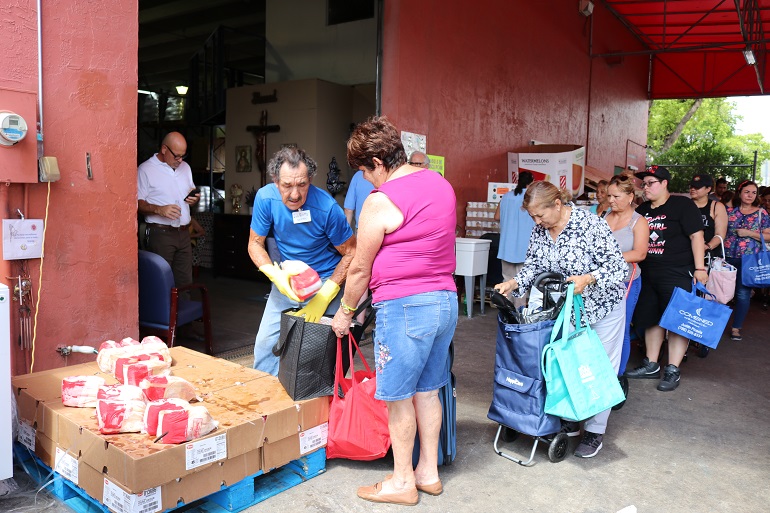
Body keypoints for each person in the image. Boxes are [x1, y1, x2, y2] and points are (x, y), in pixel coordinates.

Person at [331, 117, 457, 505]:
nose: (366, 180)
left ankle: (403, 481)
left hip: (405, 309)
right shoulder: (439, 182)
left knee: (398, 397)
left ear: (377, 161)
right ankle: (428, 473)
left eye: (364, 171)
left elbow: (360, 268)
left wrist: (345, 312)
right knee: (429, 390)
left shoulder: (381, 200)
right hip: (445, 303)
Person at [494, 181, 627, 459]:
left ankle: (594, 432)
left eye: (540, 214)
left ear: (558, 204)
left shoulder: (590, 225)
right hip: (566, 308)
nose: (536, 220)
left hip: (602, 305)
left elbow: (618, 267)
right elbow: (534, 265)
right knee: (567, 362)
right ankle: (570, 417)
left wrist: (588, 278)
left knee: (597, 367)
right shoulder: (540, 230)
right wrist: (514, 282)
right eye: (532, 216)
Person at [248, 146, 356, 375]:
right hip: (288, 282)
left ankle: (312, 408)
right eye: (287, 186)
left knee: (317, 360)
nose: (295, 194)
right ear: (276, 181)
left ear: (310, 180)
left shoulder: (326, 208)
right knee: (265, 348)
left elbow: (351, 252)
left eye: (302, 185)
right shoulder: (266, 198)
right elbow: (254, 243)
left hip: (326, 283)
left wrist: (327, 293)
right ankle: (267, 407)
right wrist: (275, 275)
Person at [625, 166, 707, 392]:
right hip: (648, 272)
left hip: (677, 271)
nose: (645, 188)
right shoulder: (642, 209)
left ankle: (672, 368)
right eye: (644, 184)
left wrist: (700, 267)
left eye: (650, 183)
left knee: (677, 321)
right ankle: (651, 364)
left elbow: (696, 236)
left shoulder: (682, 205)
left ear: (664, 184)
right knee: (651, 318)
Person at [138, 131, 200, 290]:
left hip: (184, 233)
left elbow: (189, 192)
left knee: (185, 283)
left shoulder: (185, 167)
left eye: (183, 156)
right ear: (164, 149)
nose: (180, 161)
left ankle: (181, 314)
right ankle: (163, 315)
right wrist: (159, 209)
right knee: (160, 283)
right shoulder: (145, 169)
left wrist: (194, 199)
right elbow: (137, 204)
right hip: (161, 235)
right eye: (177, 156)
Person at [604, 174, 649, 377]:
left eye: (616, 196)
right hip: (602, 282)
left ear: (630, 196)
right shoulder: (605, 216)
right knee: (601, 328)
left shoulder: (638, 222)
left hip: (626, 282)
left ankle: (617, 377)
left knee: (620, 330)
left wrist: (611, 257)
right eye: (609, 196)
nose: (610, 200)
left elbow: (640, 253)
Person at [723, 180, 770, 341]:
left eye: (754, 193)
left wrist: (749, 233)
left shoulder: (761, 213)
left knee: (742, 294)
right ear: (739, 192)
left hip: (749, 259)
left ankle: (736, 327)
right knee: (721, 293)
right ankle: (714, 323)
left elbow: (769, 236)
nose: (750, 195)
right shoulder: (729, 212)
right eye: (747, 192)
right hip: (727, 257)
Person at [493, 171, 535, 308]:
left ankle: (506, 312)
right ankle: (519, 313)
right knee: (521, 282)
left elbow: (497, 216)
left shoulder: (506, 197)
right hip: (525, 247)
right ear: (531, 183)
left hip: (507, 246)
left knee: (507, 281)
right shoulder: (531, 199)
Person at [689, 173, 727, 259]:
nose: (693, 189)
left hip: (709, 255)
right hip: (686, 253)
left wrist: (706, 247)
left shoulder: (717, 207)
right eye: (691, 186)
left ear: (708, 189)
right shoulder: (684, 205)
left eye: (697, 187)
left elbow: (720, 235)